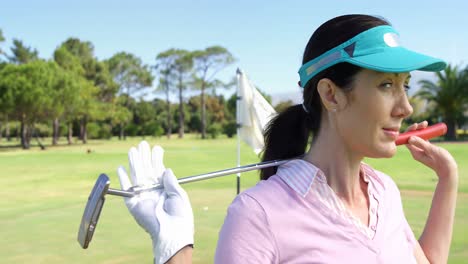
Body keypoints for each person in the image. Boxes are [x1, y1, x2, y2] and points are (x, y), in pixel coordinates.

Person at [117, 14, 458, 263]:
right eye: (386, 85)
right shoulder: (258, 214)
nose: (406, 107)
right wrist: (175, 248)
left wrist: (447, 179)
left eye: (405, 85)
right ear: (332, 94)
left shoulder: (385, 192)